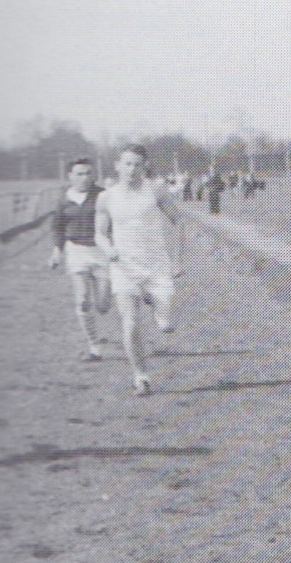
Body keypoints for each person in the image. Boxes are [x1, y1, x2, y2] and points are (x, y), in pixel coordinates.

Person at [94, 144, 183, 397]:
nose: (132, 169)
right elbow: (99, 233)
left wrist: (178, 261)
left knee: (167, 326)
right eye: (127, 164)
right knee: (130, 322)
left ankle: (155, 303)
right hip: (124, 267)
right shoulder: (107, 197)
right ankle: (141, 376)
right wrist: (108, 249)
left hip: (156, 266)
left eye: (137, 164)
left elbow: (178, 222)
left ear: (145, 167)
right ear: (118, 166)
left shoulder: (156, 190)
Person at [49, 158, 111, 362]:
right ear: (70, 176)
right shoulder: (64, 199)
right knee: (83, 301)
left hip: (101, 252)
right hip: (76, 252)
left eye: (88, 173)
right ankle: (94, 347)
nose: (84, 178)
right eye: (79, 174)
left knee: (102, 306)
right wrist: (57, 250)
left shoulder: (103, 195)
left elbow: (116, 222)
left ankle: (101, 307)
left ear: (94, 175)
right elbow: (57, 227)